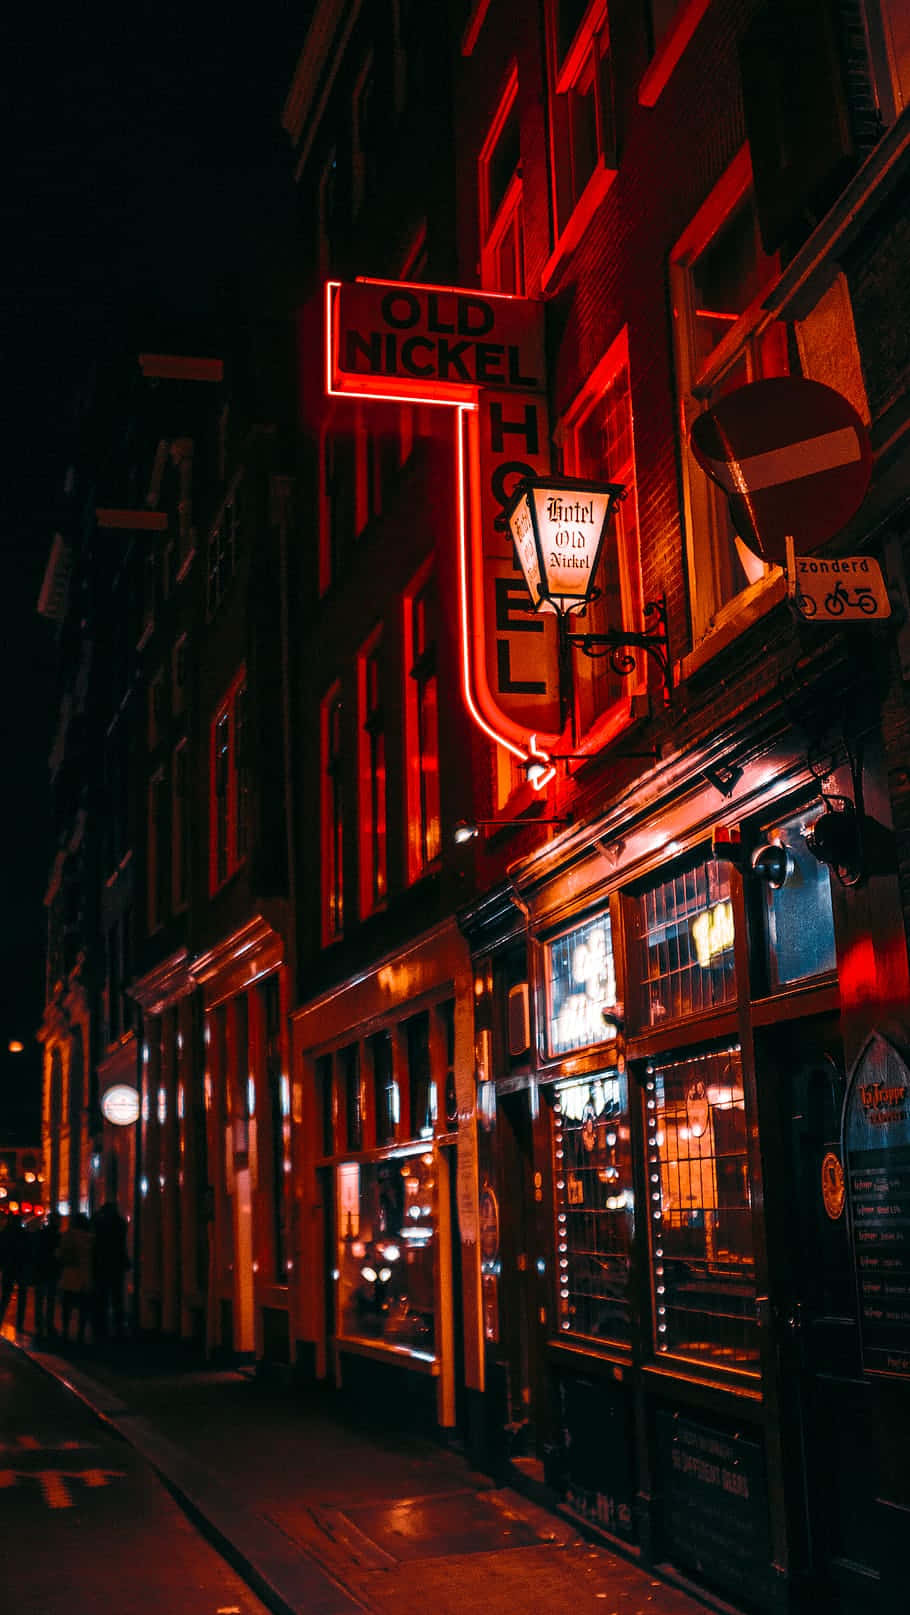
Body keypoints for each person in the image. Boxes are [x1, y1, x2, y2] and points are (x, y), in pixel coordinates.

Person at [91, 1200, 130, 1338]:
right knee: (116, 1296)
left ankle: (101, 1327)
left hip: (101, 1264)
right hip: (116, 1265)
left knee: (102, 1297)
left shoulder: (99, 1224)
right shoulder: (119, 1224)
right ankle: (118, 1327)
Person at [57, 1212, 94, 1345]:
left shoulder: (69, 1235)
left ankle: (65, 1332)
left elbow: (61, 1255)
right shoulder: (90, 1238)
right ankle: (80, 1334)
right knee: (83, 1309)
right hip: (86, 1278)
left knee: (67, 1307)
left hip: (70, 1276)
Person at [32, 1211, 61, 1338]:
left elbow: (36, 1252)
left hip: (41, 1269)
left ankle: (39, 1324)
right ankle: (48, 1324)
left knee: (40, 1298)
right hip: (52, 1270)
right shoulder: (57, 1235)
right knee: (50, 1299)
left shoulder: (41, 1234)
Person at [0, 1215, 32, 1332]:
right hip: (21, 1267)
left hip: (8, 1267)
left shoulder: (5, 1233)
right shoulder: (24, 1234)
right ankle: (19, 1324)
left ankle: (1, 1318)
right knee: (22, 1297)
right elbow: (29, 1251)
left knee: (5, 1296)